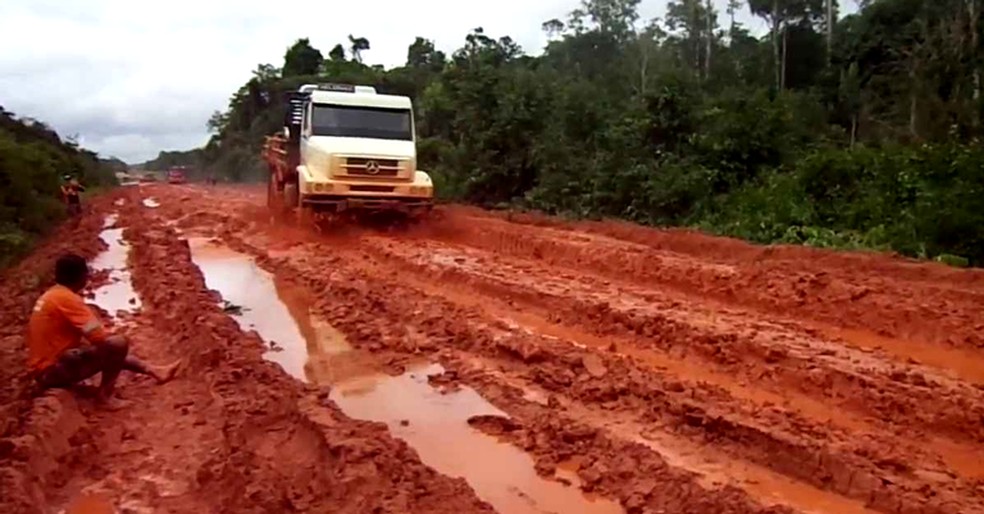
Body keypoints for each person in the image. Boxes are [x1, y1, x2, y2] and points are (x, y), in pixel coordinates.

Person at [27, 254, 180, 409]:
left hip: (45, 369)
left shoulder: (53, 295)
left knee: (107, 350)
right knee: (117, 345)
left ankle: (154, 370)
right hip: (51, 372)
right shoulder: (67, 299)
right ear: (81, 276)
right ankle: (105, 397)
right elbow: (98, 336)